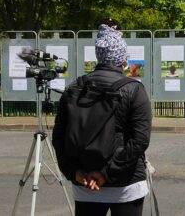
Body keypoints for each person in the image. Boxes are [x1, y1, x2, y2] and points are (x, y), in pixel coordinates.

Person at [52, 19, 152, 216]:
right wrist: (105, 173)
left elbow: (59, 138)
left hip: (85, 184)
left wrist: (75, 173)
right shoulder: (134, 89)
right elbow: (139, 141)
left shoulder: (73, 89)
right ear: (123, 60)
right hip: (125, 185)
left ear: (98, 57)